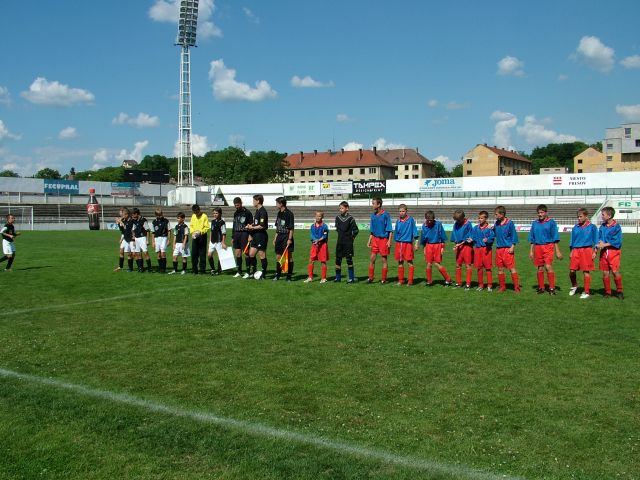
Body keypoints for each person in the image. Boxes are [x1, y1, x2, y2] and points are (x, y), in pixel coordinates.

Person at [528, 204, 563, 295]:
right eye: (539, 213)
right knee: (540, 268)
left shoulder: (551, 222)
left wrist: (557, 251)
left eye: (542, 212)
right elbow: (532, 238)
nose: (540, 214)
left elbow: (555, 237)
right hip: (538, 247)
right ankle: (541, 287)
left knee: (548, 266)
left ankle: (552, 288)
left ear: (546, 212)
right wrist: (531, 251)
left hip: (548, 246)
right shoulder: (535, 223)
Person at [568, 208, 598, 299]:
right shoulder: (575, 227)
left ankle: (586, 291)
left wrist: (595, 251)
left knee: (586, 271)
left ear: (586, 216)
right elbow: (572, 241)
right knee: (572, 271)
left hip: (587, 250)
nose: (579, 218)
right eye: (578, 217)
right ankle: (574, 286)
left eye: (580, 216)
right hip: (576, 250)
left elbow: (596, 240)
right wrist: (571, 251)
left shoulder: (592, 227)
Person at [419, 210, 451, 287]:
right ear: (426, 219)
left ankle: (448, 279)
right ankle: (429, 281)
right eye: (428, 220)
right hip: (428, 246)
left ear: (434, 219)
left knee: (437, 263)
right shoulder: (424, 226)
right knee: (428, 263)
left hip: (437, 245)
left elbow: (442, 236)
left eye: (431, 220)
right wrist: (424, 248)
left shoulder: (438, 224)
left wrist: (442, 247)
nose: (430, 222)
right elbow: (423, 238)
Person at [493, 206, 521, 293]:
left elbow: (514, 235)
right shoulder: (496, 223)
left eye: (496, 214)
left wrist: (512, 246)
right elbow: (494, 234)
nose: (495, 216)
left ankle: (517, 288)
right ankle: (502, 287)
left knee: (511, 268)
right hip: (499, 249)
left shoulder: (510, 223)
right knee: (500, 269)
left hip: (507, 249)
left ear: (502, 214)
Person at [598, 206, 623, 299]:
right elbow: (599, 237)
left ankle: (619, 291)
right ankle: (607, 292)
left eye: (603, 215)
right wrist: (600, 242)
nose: (602, 216)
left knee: (615, 271)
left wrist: (604, 244)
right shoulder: (602, 226)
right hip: (604, 253)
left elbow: (617, 241)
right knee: (605, 273)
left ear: (609, 216)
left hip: (613, 252)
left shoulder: (616, 227)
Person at [367, 197, 393, 284]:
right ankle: (370, 277)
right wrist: (369, 240)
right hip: (375, 239)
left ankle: (383, 279)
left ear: (378, 204)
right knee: (372, 258)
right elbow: (372, 230)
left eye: (373, 203)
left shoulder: (386, 215)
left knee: (384, 260)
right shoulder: (373, 216)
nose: (372, 205)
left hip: (383, 240)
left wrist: (389, 241)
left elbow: (390, 229)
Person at [394, 204, 419, 285]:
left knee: (409, 262)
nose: (401, 213)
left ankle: (410, 280)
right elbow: (396, 232)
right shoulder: (398, 221)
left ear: (406, 211)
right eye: (400, 211)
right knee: (400, 262)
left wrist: (416, 242)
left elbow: (414, 231)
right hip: (399, 243)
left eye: (403, 211)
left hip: (407, 244)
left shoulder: (410, 220)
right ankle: (401, 280)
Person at [470, 210, 495, 291]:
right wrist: (471, 239)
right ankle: (480, 285)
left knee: (488, 268)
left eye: (481, 218)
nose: (479, 219)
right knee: (479, 268)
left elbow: (492, 238)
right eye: (479, 218)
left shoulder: (489, 228)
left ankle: (489, 285)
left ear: (486, 218)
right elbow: (473, 237)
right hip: (477, 249)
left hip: (486, 249)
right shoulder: (475, 228)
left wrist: (487, 240)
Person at [334, 201, 359, 283]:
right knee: (338, 260)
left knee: (349, 260)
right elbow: (337, 229)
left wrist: (352, 238)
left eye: (342, 208)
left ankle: (351, 278)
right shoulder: (337, 218)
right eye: (340, 208)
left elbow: (356, 230)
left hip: (348, 243)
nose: (340, 210)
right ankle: (338, 278)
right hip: (340, 242)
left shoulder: (351, 218)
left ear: (347, 208)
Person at [245, 194, 268, 279]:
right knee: (251, 254)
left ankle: (263, 274)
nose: (253, 202)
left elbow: (262, 226)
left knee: (262, 254)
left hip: (261, 236)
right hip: (255, 235)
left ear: (258, 201)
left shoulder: (263, 211)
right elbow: (256, 223)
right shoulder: (257, 211)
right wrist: (250, 225)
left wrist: (252, 227)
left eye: (254, 200)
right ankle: (254, 272)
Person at [450, 209, 474, 289]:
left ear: (463, 218)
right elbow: (454, 234)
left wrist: (462, 243)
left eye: (458, 220)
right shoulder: (456, 224)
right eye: (456, 220)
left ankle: (468, 283)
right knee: (458, 265)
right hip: (458, 247)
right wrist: (456, 243)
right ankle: (458, 283)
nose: (457, 221)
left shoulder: (468, 224)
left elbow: (469, 237)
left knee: (468, 265)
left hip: (467, 247)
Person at [273, 197, 295, 281]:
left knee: (288, 256)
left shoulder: (289, 214)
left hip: (286, 236)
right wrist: (275, 238)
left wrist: (289, 239)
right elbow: (278, 227)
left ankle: (289, 276)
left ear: (281, 204)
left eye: (277, 203)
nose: (276, 205)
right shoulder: (279, 213)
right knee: (278, 256)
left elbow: (291, 228)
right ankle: (278, 275)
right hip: (279, 236)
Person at [305, 211, 329, 283]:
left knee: (323, 261)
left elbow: (325, 236)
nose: (318, 217)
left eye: (319, 216)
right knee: (311, 260)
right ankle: (310, 277)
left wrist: (318, 240)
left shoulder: (325, 226)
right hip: (314, 245)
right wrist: (315, 241)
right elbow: (312, 235)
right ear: (315, 216)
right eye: (317, 216)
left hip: (322, 245)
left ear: (322, 217)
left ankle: (323, 278)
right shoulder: (312, 226)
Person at [231, 197, 253, 278]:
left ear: (241, 203)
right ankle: (239, 271)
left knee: (246, 253)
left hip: (244, 234)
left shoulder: (247, 212)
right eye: (235, 205)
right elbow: (234, 225)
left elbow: (251, 225)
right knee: (237, 253)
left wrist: (250, 235)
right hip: (236, 234)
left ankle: (248, 272)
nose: (236, 206)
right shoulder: (235, 213)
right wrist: (233, 237)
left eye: (238, 205)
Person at [189, 204, 209, 275]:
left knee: (202, 254)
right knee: (194, 254)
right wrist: (192, 232)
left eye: (196, 212)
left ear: (199, 210)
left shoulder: (204, 216)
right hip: (195, 237)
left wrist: (201, 232)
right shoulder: (193, 216)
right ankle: (194, 270)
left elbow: (207, 227)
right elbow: (191, 226)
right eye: (194, 212)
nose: (196, 214)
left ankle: (202, 270)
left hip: (202, 237)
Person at [131, 208, 153, 272]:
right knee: (138, 253)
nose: (132, 216)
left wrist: (147, 240)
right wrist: (134, 239)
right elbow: (133, 230)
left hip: (143, 238)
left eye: (133, 214)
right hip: (136, 238)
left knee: (145, 253)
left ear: (136, 214)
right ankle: (141, 268)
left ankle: (149, 268)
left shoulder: (143, 220)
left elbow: (147, 230)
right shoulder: (133, 220)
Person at [207, 207, 227, 275]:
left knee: (220, 256)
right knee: (209, 255)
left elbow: (224, 233)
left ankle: (219, 270)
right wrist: (210, 241)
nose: (215, 214)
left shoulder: (222, 222)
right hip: (212, 242)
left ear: (220, 214)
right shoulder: (212, 221)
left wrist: (223, 242)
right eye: (214, 213)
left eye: (216, 213)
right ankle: (212, 269)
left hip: (219, 242)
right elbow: (211, 231)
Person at [114, 207, 135, 272]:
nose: (120, 214)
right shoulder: (123, 220)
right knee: (121, 251)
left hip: (129, 237)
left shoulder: (129, 220)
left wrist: (120, 222)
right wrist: (118, 223)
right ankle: (120, 266)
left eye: (121, 213)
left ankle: (131, 267)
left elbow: (127, 228)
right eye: (120, 213)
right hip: (124, 236)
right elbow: (122, 230)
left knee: (131, 253)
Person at [152, 208, 170, 273]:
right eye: (158, 215)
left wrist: (168, 240)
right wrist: (153, 241)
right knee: (158, 254)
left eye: (160, 215)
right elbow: (153, 232)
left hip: (164, 237)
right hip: (156, 238)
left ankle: (163, 269)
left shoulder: (166, 221)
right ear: (156, 215)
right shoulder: (154, 222)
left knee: (163, 253)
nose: (159, 216)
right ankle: (160, 268)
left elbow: (169, 230)